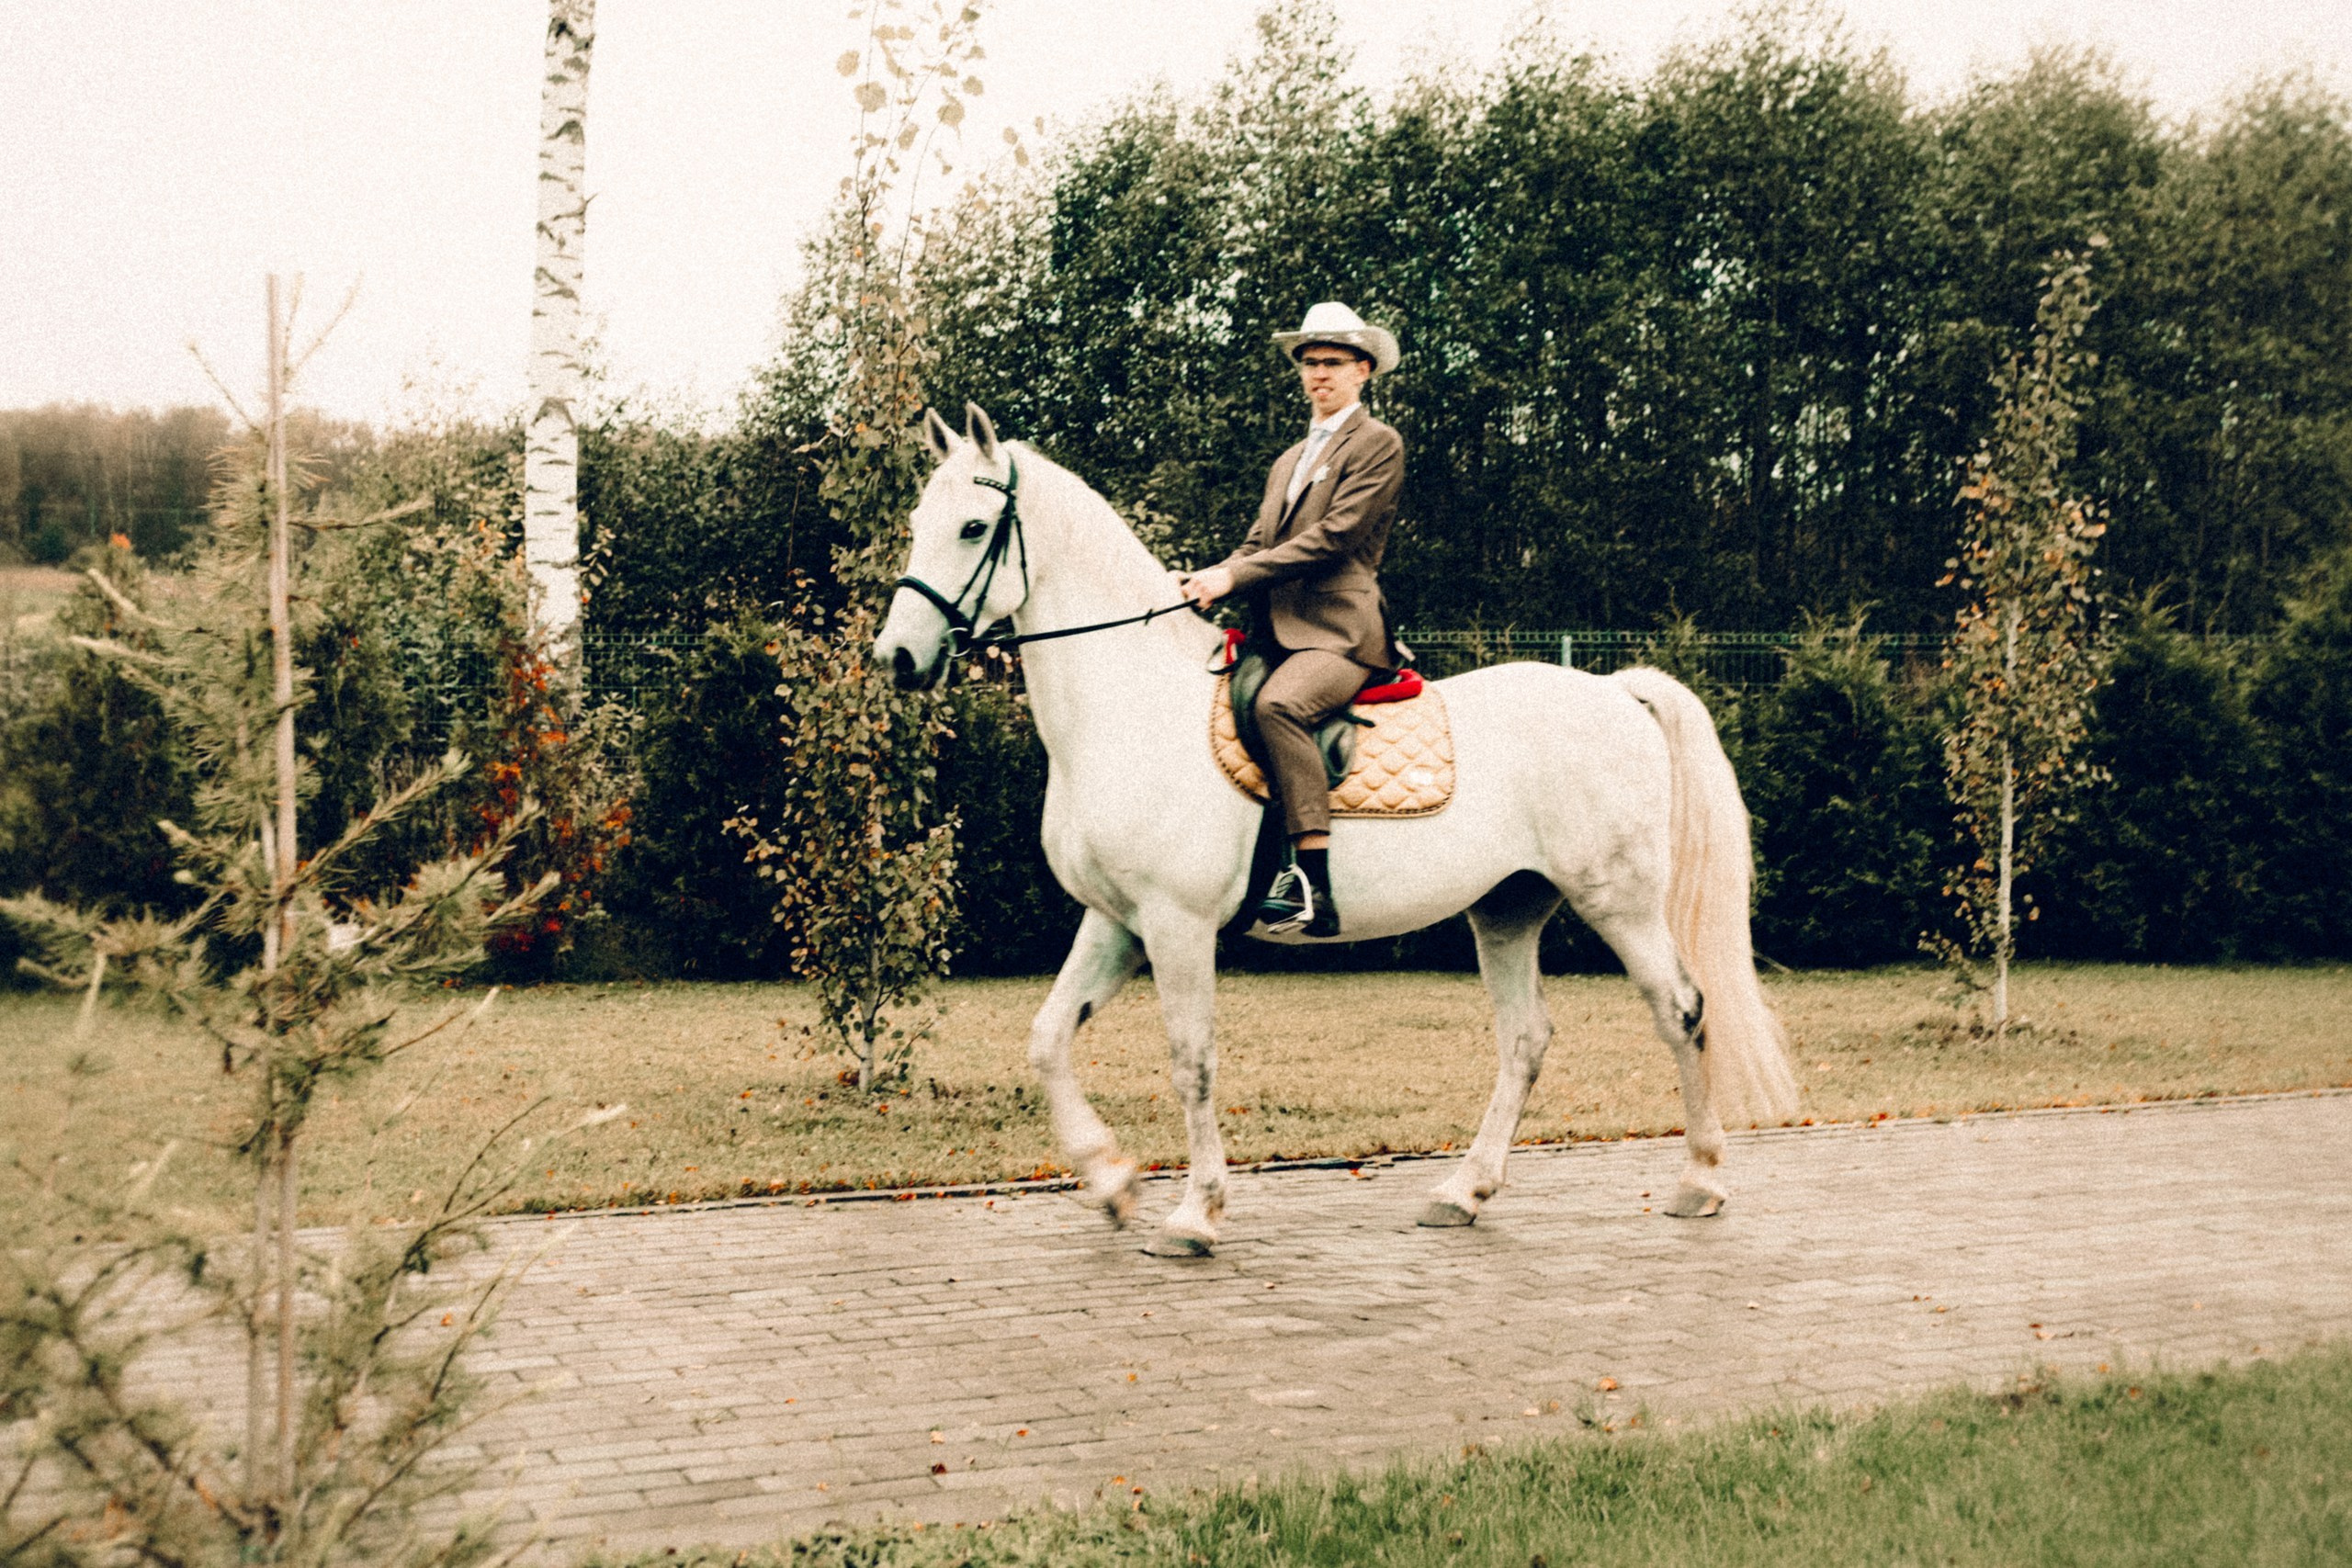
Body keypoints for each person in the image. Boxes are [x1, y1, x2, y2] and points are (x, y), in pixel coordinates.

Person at [1180, 300, 1405, 938]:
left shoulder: (1378, 444)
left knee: (1280, 706)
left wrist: (1235, 575)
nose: (1318, 375)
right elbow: (1258, 544)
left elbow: (1335, 537)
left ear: (1364, 370)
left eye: (1333, 363)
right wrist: (1204, 579)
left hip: (1341, 633)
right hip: (1277, 632)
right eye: (1309, 364)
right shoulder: (1287, 461)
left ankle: (1312, 882)